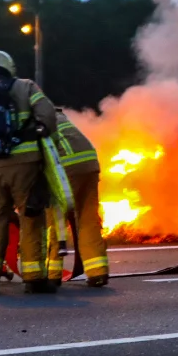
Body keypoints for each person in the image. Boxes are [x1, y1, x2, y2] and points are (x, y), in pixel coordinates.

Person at [0, 49, 59, 295]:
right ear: (10, 68)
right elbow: (48, 115)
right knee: (31, 219)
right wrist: (40, 133)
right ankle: (34, 278)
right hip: (26, 165)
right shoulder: (26, 87)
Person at [49, 112, 109, 286]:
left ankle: (51, 275)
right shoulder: (56, 116)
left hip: (64, 169)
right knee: (87, 219)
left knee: (52, 223)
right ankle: (97, 272)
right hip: (89, 164)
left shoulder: (26, 119)